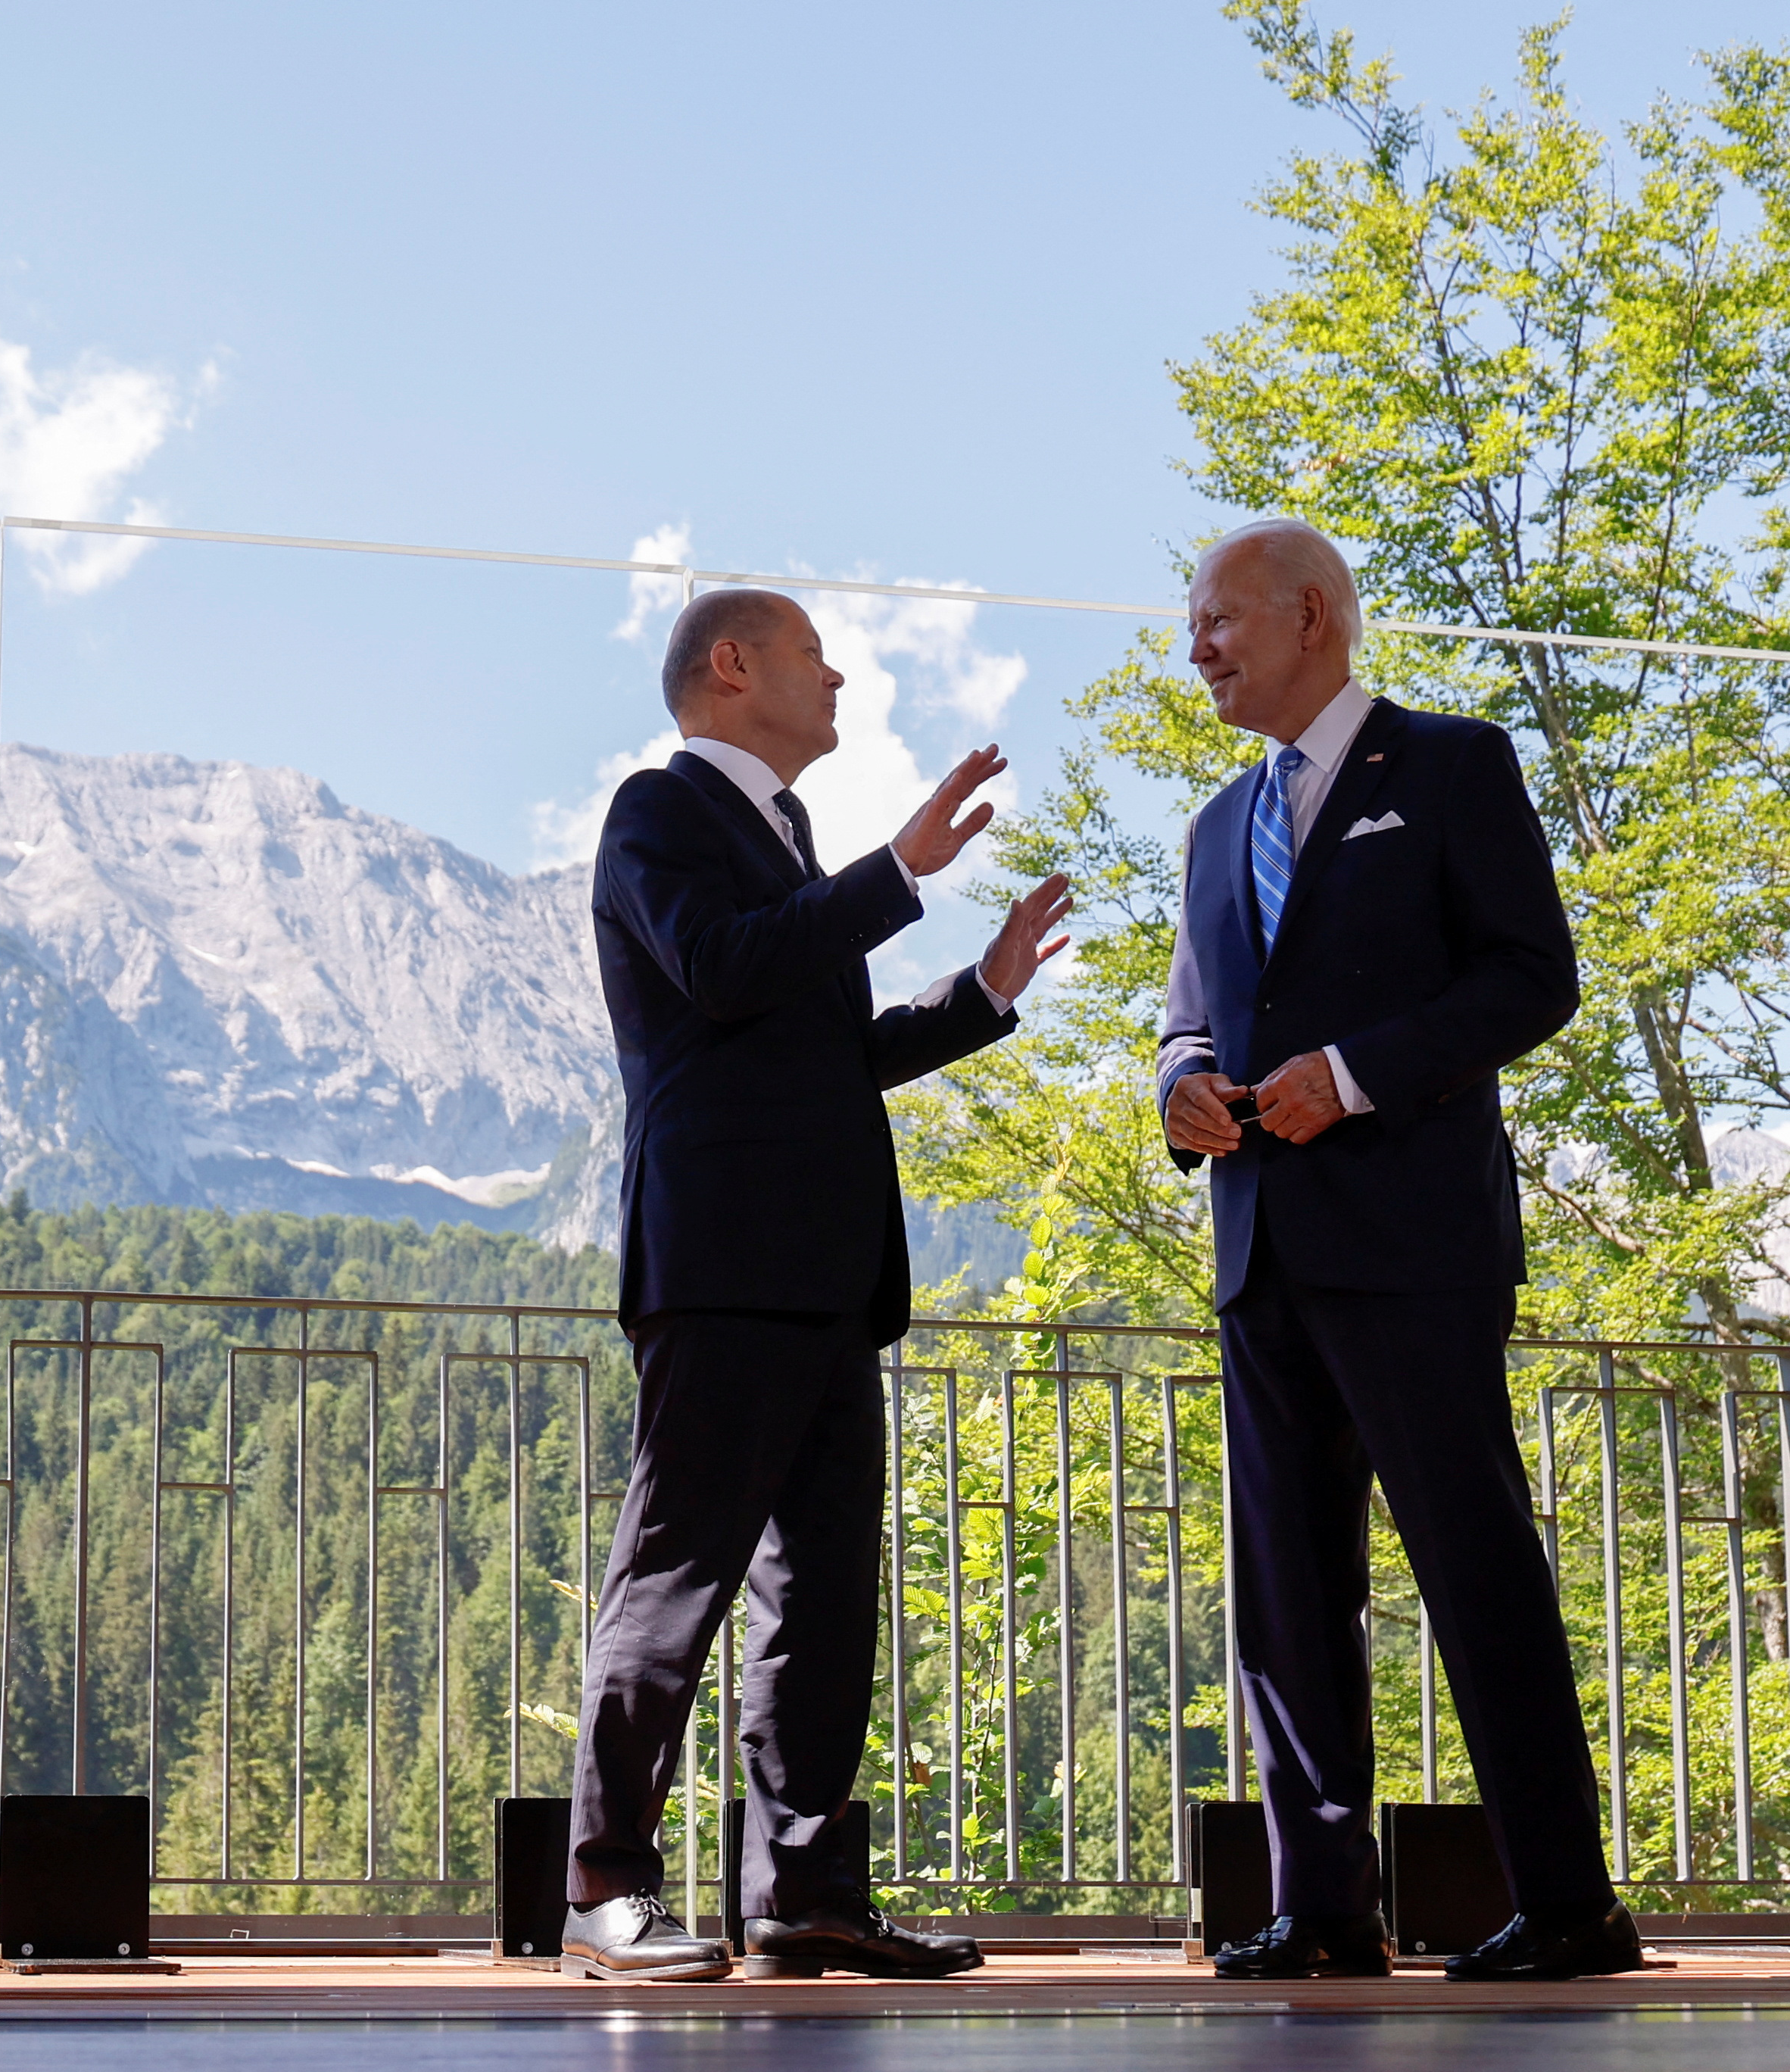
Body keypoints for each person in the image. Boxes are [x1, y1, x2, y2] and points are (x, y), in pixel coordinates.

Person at [561, 587, 1072, 1983]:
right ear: (732, 668)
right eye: (809, 653)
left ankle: (802, 1897)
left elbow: (824, 1056)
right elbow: (723, 977)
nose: (837, 675)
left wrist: (981, 992)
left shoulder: (782, 838)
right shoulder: (656, 815)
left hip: (835, 1282)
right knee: (675, 1580)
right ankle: (605, 1895)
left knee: (825, 1602)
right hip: (724, 1269)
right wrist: (894, 873)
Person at [1157, 518, 1636, 1983]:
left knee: (1476, 1570)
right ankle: (1324, 1909)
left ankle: (1567, 1903)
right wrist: (1179, 1087)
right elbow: (1191, 1013)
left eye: (1218, 619)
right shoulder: (1212, 827)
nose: (1197, 649)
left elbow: (1530, 978)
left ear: (1314, 616)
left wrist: (1352, 1074)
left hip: (1415, 1248)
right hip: (1261, 1263)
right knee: (1288, 1599)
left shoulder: (1454, 766)